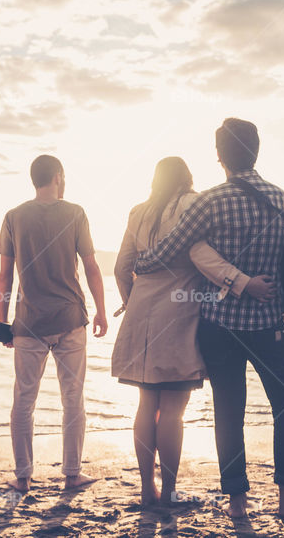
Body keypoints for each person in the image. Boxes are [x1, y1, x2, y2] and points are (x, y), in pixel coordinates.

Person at [134, 118, 284, 518]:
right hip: (270, 321)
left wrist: (141, 262)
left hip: (219, 325)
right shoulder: (280, 197)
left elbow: (171, 248)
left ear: (219, 156)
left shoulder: (210, 201)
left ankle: (238, 501)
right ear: (257, 151)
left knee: (229, 409)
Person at [112, 157, 275, 506]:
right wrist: (239, 282)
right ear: (187, 178)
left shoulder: (138, 211)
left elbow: (121, 266)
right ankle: (170, 491)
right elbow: (202, 255)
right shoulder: (193, 203)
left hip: (141, 314)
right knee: (173, 408)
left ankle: (147, 490)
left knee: (145, 404)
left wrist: (131, 300)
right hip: (179, 314)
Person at [0, 154, 107, 493]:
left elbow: (4, 277)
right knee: (73, 397)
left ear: (34, 179)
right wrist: (102, 310)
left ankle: (23, 477)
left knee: (24, 399)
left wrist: (3, 324)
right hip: (71, 318)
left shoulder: (14, 216)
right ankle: (72, 474)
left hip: (28, 322)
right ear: (58, 176)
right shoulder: (75, 213)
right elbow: (90, 267)